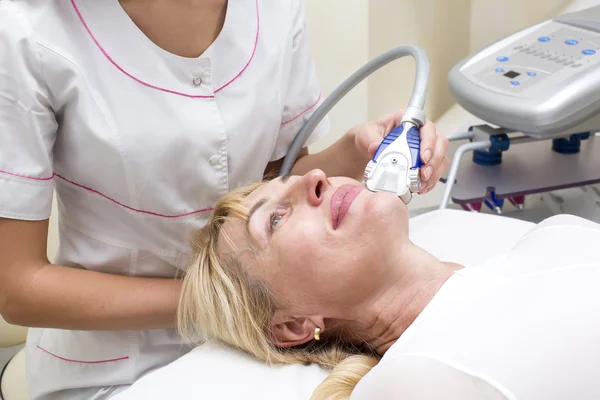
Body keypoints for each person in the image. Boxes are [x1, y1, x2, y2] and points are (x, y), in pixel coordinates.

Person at [0, 1, 450, 399]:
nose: (317, 178)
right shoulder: (25, 28)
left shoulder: (274, 10)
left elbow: (278, 183)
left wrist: (354, 151)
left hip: (273, 340)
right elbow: (17, 288)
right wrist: (232, 304)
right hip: (114, 363)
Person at [177, 169, 600, 400]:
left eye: (300, 177)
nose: (317, 177)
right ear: (293, 325)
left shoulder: (555, 233)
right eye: (275, 219)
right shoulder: (416, 381)